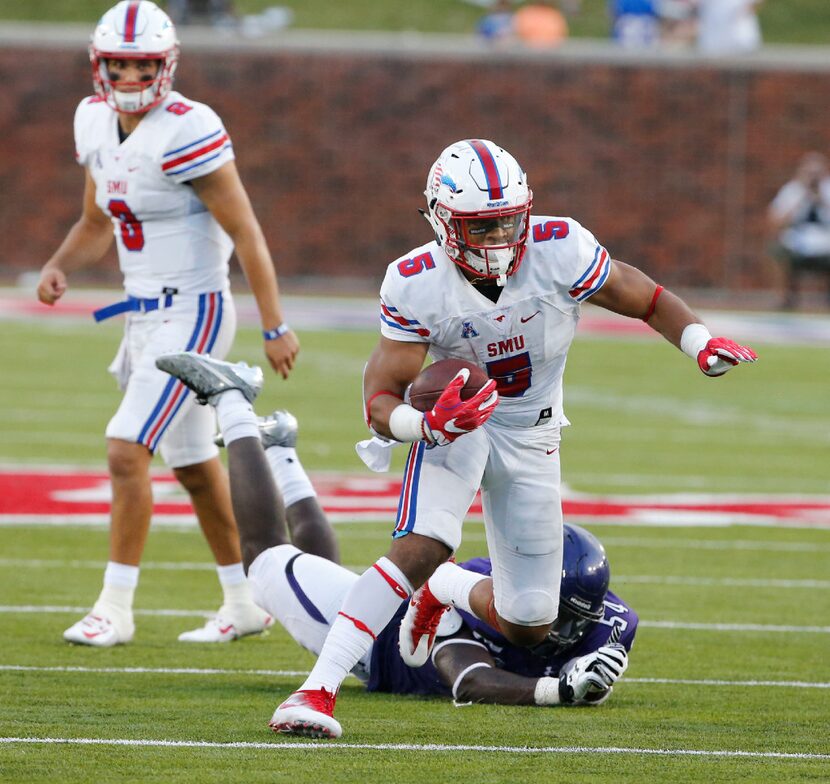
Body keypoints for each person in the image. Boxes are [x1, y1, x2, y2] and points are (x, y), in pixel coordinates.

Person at [269, 138, 756, 738]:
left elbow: (643, 295)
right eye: (481, 226)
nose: (499, 238)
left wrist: (698, 340)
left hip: (534, 429)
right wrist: (426, 424)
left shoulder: (560, 247)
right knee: (425, 541)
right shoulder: (415, 280)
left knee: (530, 619)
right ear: (442, 221)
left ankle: (444, 590)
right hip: (462, 421)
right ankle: (316, 690)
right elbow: (378, 401)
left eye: (508, 221)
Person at [155, 352, 635, 721]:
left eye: (566, 616)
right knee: (263, 561)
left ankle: (280, 448)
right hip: (379, 643)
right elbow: (468, 679)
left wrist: (591, 681)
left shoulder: (613, 624)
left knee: (315, 570)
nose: (552, 624)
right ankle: (233, 401)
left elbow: (591, 667)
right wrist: (559, 691)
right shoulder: (477, 587)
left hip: (377, 629)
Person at [35, 0, 308, 647]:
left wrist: (274, 326)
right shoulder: (94, 120)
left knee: (126, 449)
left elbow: (245, 231)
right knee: (192, 465)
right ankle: (245, 602)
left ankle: (115, 606)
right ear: (101, 66)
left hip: (196, 310)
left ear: (167, 65)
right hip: (143, 317)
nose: (130, 77)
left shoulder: (189, 127)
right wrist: (58, 265)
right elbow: (97, 221)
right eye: (120, 64)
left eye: (143, 64)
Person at [767, 152, 830, 310]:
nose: (813, 178)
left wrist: (820, 199)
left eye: (817, 174)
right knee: (776, 250)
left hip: (825, 244)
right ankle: (784, 298)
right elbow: (776, 222)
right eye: (810, 173)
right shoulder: (791, 191)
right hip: (797, 244)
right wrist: (802, 198)